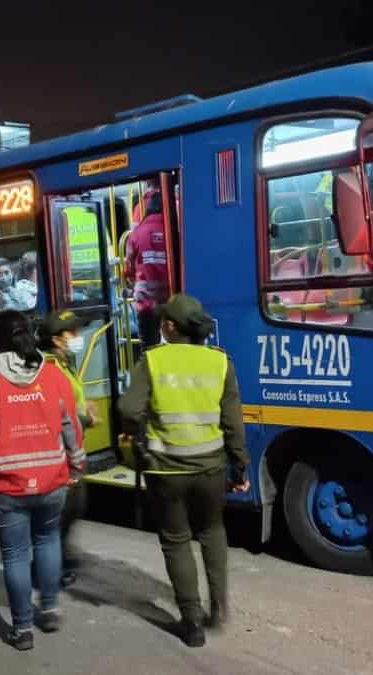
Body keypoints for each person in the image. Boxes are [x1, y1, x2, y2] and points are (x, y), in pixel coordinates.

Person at [117, 293, 250, 648]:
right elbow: (233, 422)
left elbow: (129, 410)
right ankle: (218, 607)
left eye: (163, 321)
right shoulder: (220, 362)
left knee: (176, 541)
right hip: (210, 468)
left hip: (166, 470)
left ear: (171, 327)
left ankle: (191, 623)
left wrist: (139, 429)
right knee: (212, 532)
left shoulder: (153, 361)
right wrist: (240, 466)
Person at [0, 310, 85, 651]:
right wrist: (77, 465)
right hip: (51, 482)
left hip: (7, 488)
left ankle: (22, 629)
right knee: (48, 542)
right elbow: (70, 427)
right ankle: (49, 609)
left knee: (15, 555)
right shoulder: (53, 376)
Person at [37, 309, 98, 588]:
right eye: (71, 332)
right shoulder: (49, 368)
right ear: (56, 339)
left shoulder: (64, 363)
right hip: (58, 451)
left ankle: (57, 558)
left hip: (71, 446)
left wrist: (84, 412)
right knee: (62, 511)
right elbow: (56, 411)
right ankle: (47, 568)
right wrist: (85, 417)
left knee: (74, 506)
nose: (77, 336)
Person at [123, 190, 170, 348]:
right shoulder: (174, 230)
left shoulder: (136, 234)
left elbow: (128, 268)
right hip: (171, 301)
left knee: (149, 348)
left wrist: (131, 283)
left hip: (145, 301)